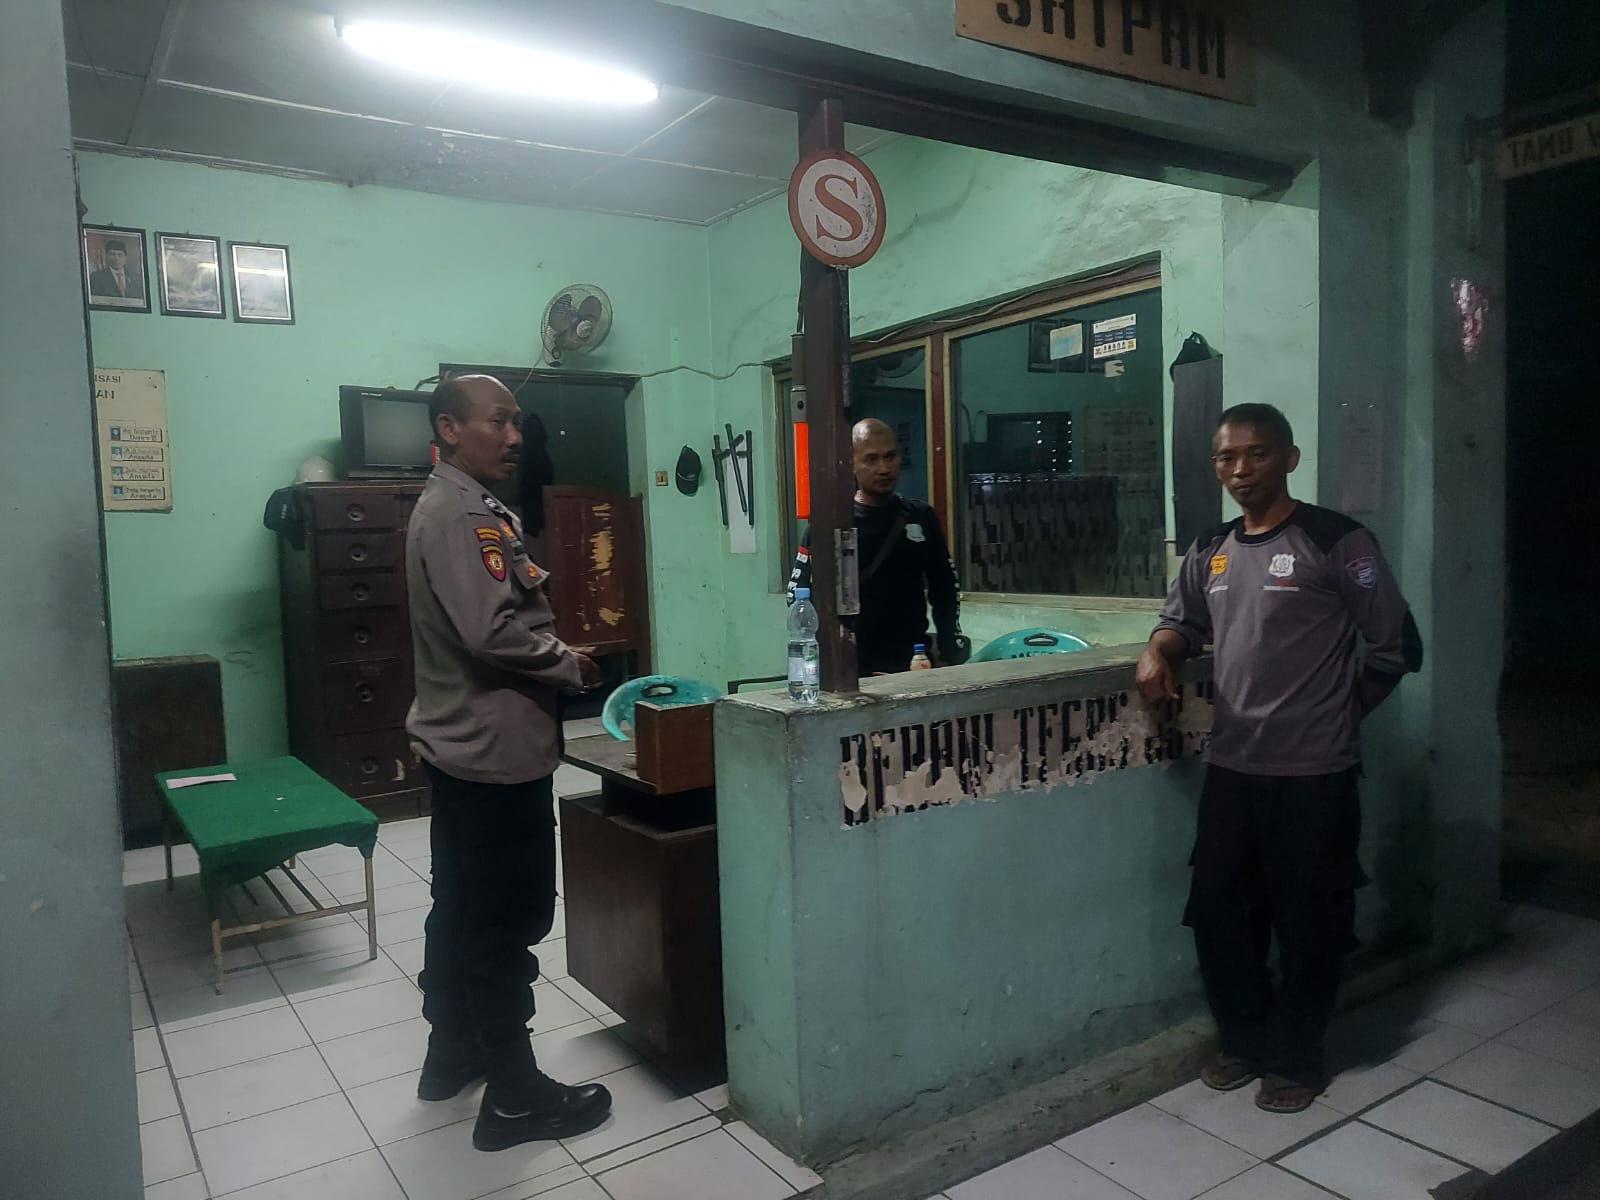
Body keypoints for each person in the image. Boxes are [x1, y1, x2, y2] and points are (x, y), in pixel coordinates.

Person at [1136, 402, 1422, 1115]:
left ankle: (1297, 1057)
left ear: (1289, 459)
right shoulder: (1211, 548)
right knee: (1220, 916)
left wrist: (1341, 713)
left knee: (1311, 922)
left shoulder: (1336, 540)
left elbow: (1396, 646)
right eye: (1226, 457)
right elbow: (1182, 622)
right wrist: (1156, 652)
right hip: (1234, 769)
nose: (1240, 469)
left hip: (1315, 775)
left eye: (1256, 454)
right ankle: (1245, 1041)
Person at [405, 374, 612, 1152]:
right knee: (503, 921)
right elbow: (491, 632)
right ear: (450, 428)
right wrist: (568, 666)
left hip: (467, 747)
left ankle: (452, 1053)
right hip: (493, 754)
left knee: (460, 907)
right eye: (498, 421)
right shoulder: (463, 513)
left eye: (517, 422)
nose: (515, 436)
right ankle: (516, 1096)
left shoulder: (464, 504)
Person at [787, 418, 965, 675]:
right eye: (871, 459)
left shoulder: (920, 517)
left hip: (912, 664)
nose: (884, 468)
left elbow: (945, 588)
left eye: (890, 456)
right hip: (848, 672)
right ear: (851, 464)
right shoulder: (830, 526)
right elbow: (798, 595)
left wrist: (949, 651)